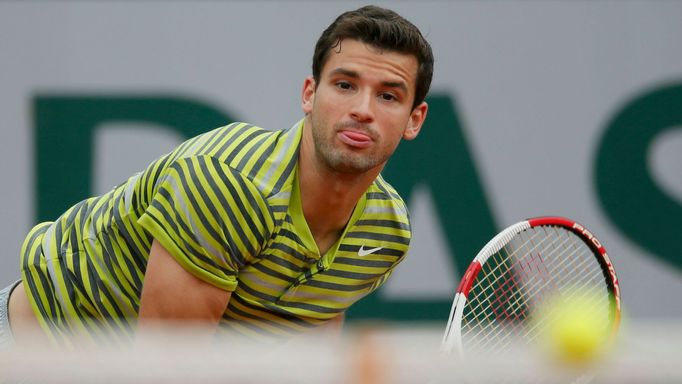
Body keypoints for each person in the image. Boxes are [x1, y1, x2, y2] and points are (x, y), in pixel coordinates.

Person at [0, 5, 433, 348]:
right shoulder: (225, 184)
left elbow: (308, 351)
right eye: (344, 85)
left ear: (414, 120)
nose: (362, 108)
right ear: (309, 94)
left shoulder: (386, 232)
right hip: (31, 355)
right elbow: (167, 372)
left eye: (388, 96)